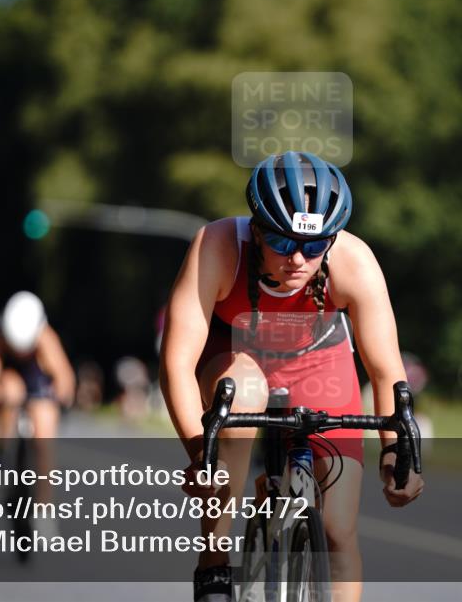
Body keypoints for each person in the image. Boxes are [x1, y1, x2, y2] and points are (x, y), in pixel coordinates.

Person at [159, 152, 425, 602]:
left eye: (316, 245)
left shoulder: (354, 262)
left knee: (339, 530)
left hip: (318, 363)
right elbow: (177, 362)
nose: (298, 259)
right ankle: (215, 564)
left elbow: (385, 370)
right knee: (244, 392)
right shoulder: (218, 247)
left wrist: (397, 453)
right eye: (283, 243)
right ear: (257, 229)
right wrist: (199, 455)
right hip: (233, 357)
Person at [0, 291, 75, 515]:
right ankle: (2, 453)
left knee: (44, 427)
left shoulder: (46, 338)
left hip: (38, 382)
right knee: (11, 390)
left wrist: (58, 397)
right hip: (12, 382)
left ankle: (44, 505)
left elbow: (64, 379)